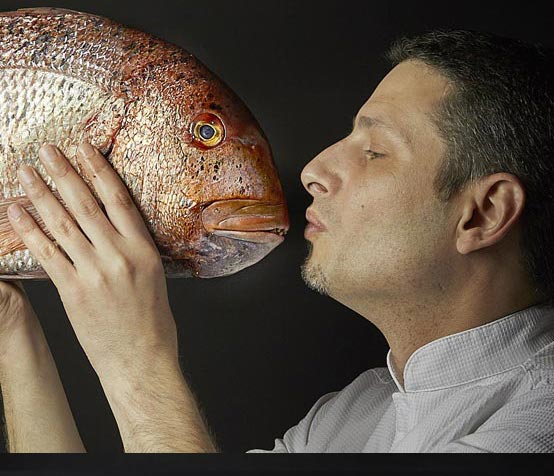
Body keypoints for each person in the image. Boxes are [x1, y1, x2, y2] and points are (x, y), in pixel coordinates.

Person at [1, 29, 554, 453]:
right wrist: (12, 330)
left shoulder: (537, 427)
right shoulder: (349, 419)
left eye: (375, 151)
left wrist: (136, 359)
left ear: (483, 212)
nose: (313, 170)